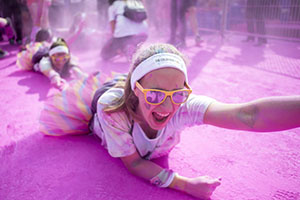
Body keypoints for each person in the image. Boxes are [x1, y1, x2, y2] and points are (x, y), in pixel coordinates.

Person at [39, 43, 300, 199]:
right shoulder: (113, 110)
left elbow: (249, 116)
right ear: (137, 90)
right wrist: (185, 184)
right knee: (90, 93)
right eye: (154, 95)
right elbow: (135, 162)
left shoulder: (184, 105)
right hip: (102, 112)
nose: (167, 106)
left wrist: (166, 96)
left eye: (178, 94)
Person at [18, 37, 88, 90]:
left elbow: (76, 69)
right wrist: (55, 78)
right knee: (34, 58)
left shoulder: (69, 60)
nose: (61, 62)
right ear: (51, 57)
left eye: (64, 59)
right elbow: (49, 71)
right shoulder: (45, 61)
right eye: (57, 59)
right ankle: (26, 46)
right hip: (40, 57)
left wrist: (84, 77)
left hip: (51, 51)